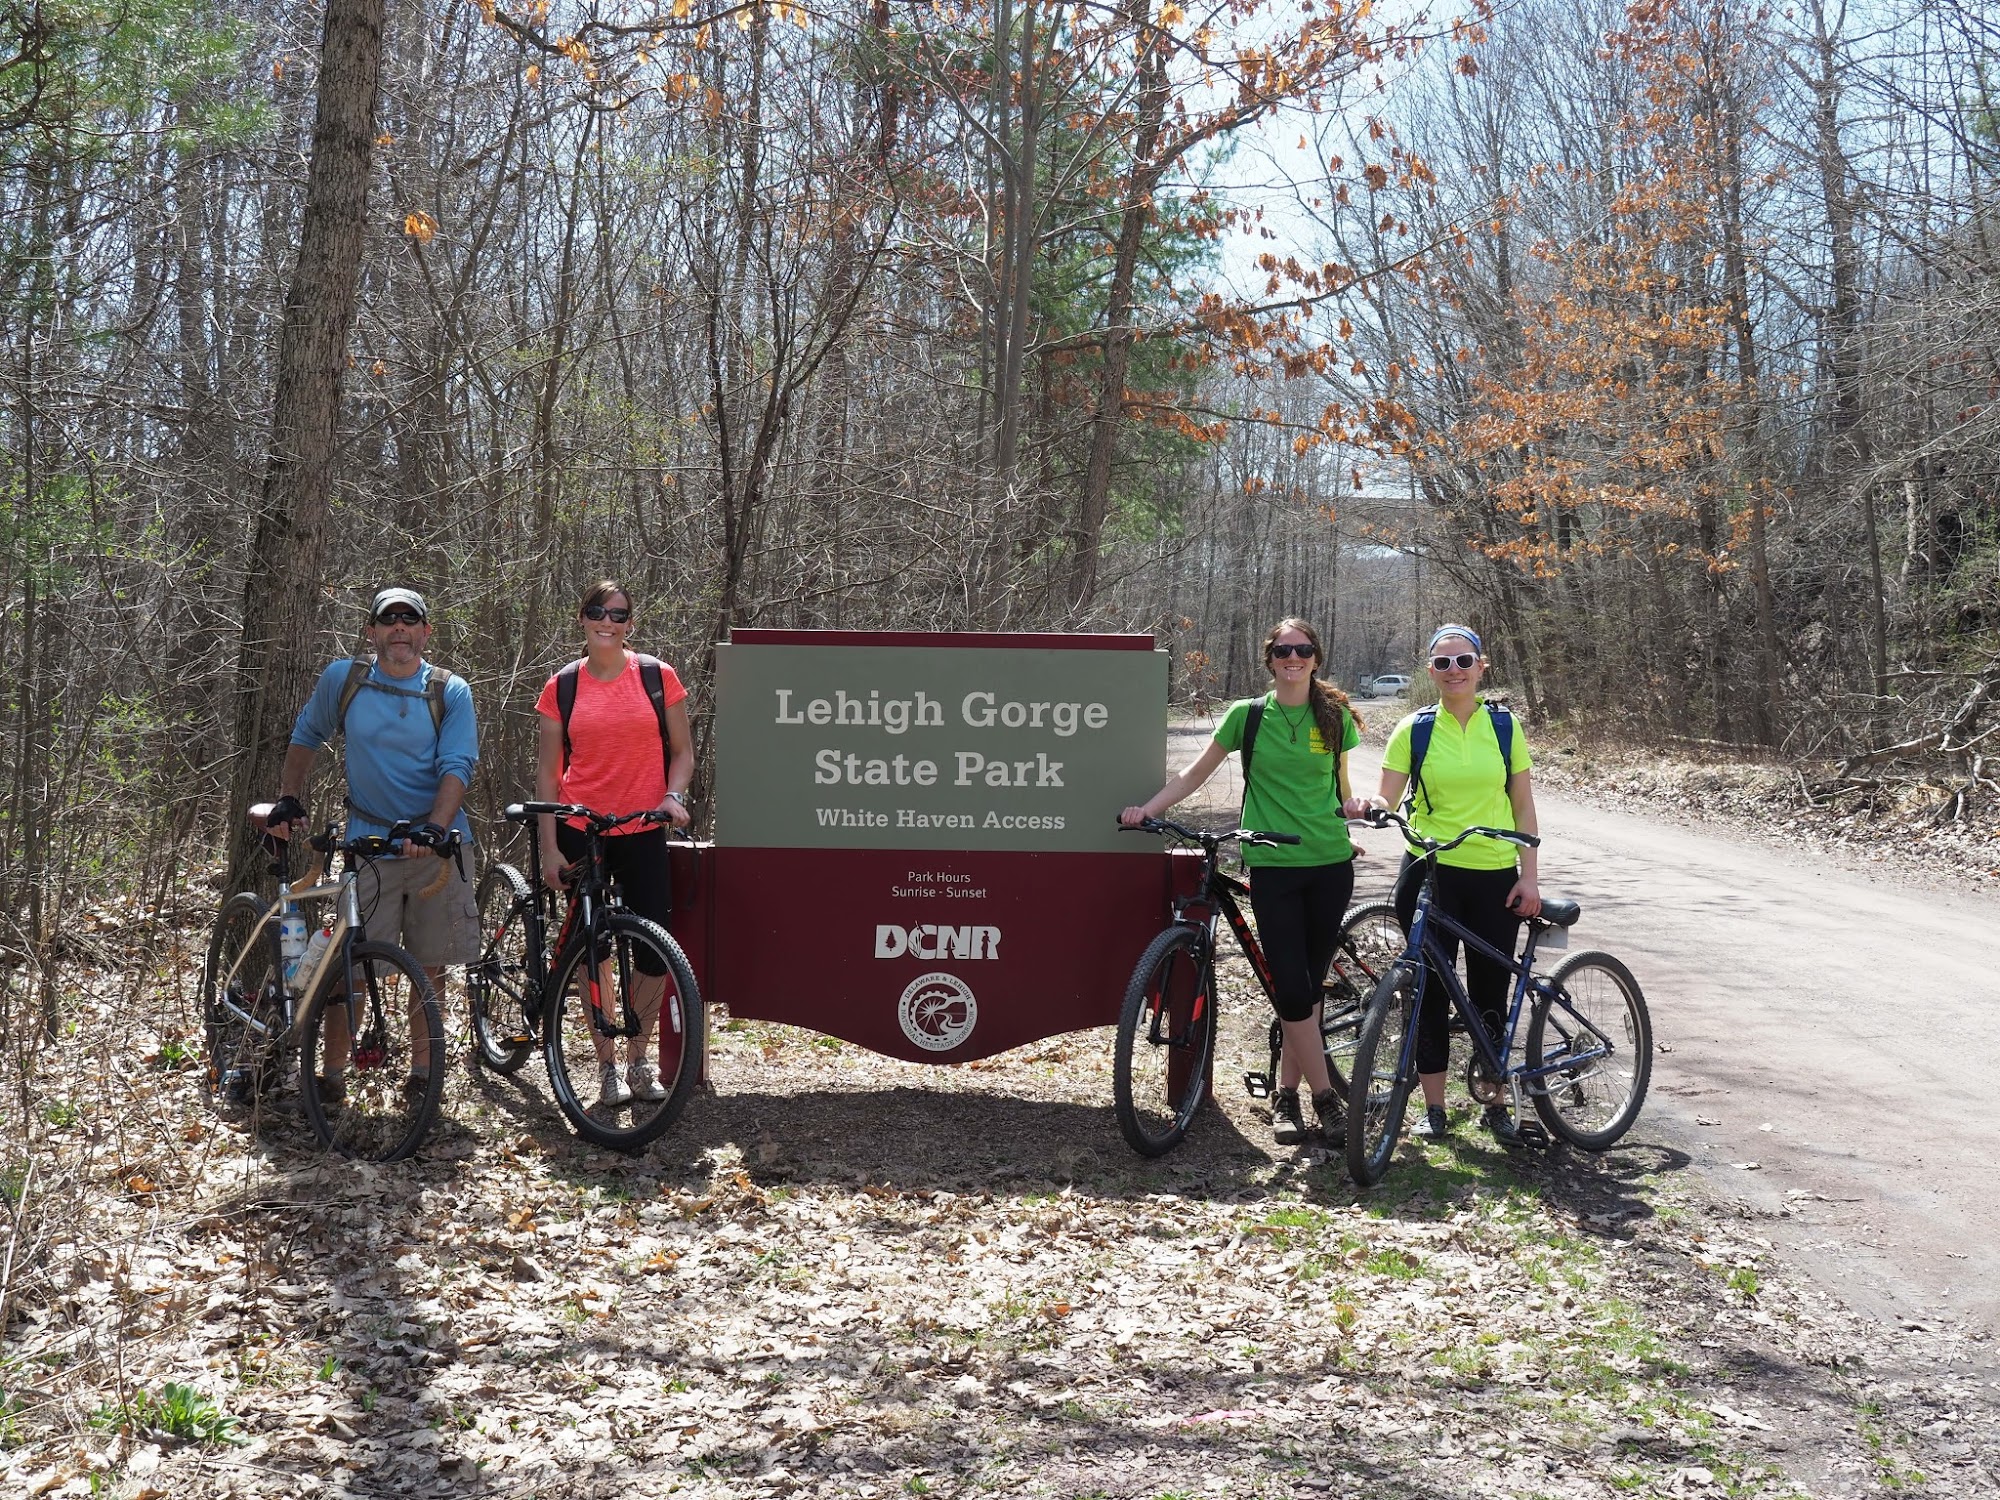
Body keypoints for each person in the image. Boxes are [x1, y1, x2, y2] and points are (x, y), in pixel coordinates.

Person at [1121, 618, 1367, 1147]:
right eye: (1283, 650)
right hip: (1274, 866)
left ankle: (1288, 1096)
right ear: (1270, 658)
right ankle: (1327, 1101)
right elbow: (1194, 774)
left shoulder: (1336, 717)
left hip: (1329, 865)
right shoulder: (1247, 717)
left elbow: (1343, 789)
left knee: (1309, 986)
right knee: (1293, 988)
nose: (1293, 658)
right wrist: (1147, 810)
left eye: (1302, 649)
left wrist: (1355, 813)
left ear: (1316, 657)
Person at [269, 586, 480, 1098]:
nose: (400, 628)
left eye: (411, 620)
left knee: (429, 966)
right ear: (372, 631)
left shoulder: (450, 691)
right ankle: (333, 1074)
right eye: (389, 620)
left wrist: (434, 827)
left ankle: (424, 1077)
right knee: (353, 964)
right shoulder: (345, 680)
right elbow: (308, 733)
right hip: (367, 843)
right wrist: (289, 797)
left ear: (426, 633)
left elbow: (457, 764)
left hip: (437, 847)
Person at [1371, 623, 1541, 1145]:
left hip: (1493, 873)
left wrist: (1530, 875)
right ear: (1431, 671)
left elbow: (1523, 805)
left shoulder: (1506, 727)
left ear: (1481, 666)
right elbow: (1386, 798)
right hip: (1428, 872)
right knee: (1427, 991)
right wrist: (1370, 808)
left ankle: (1492, 1101)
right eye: (1443, 663)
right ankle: (1435, 1108)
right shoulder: (1413, 730)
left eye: (1464, 661)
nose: (1454, 671)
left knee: (1490, 985)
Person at [533, 579, 695, 1107]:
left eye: (619, 614)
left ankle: (639, 1059)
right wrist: (550, 846)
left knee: (652, 949)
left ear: (630, 623)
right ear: (581, 617)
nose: (608, 620)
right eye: (598, 611)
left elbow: (683, 753)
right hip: (583, 829)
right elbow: (548, 774)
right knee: (593, 948)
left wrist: (672, 795)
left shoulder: (657, 677)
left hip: (643, 825)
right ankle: (607, 1067)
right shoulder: (562, 686)